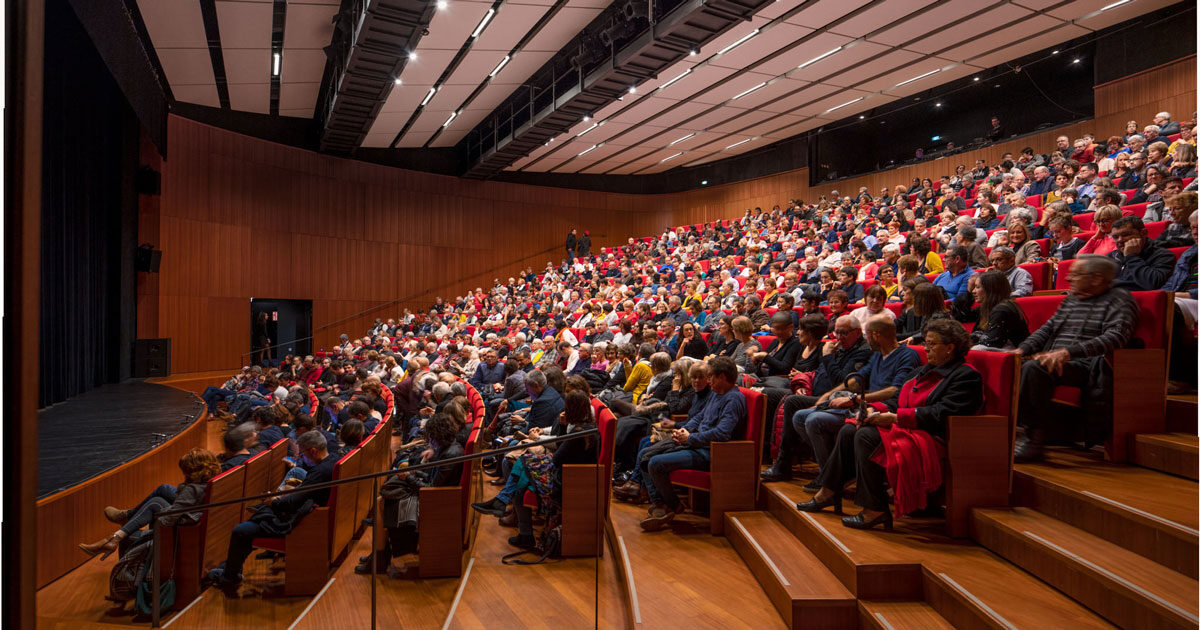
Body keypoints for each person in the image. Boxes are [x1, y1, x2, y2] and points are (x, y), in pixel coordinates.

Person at [795, 319, 984, 529]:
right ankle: (829, 491)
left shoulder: (966, 376)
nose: (926, 348)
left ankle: (874, 508)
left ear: (950, 348)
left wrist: (896, 417)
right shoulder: (924, 370)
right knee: (850, 428)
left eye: (931, 344)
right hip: (908, 427)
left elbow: (943, 413)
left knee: (865, 435)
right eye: (926, 343)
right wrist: (873, 409)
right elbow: (896, 400)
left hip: (933, 435)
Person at [1013, 256, 1138, 462]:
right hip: (1055, 360)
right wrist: (1021, 350)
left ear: (1097, 279)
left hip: (1090, 365)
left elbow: (1116, 336)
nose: (1069, 278)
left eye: (1076, 274)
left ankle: (1033, 440)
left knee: (1035, 369)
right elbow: (1047, 329)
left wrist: (1068, 353)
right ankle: (1008, 432)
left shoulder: (1119, 298)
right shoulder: (1071, 299)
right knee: (1009, 364)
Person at [206, 431, 339, 592]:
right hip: (308, 512)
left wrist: (274, 502)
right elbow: (304, 494)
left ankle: (229, 577)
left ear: (313, 451)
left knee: (241, 530)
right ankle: (231, 568)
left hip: (304, 522)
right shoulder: (332, 460)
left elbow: (292, 503)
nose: (302, 457)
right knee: (259, 516)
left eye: (303, 453)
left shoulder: (319, 472)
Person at [793, 317, 920, 484]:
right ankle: (836, 471)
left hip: (880, 408)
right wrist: (827, 395)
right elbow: (854, 382)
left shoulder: (907, 355)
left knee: (814, 420)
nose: (865, 340)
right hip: (861, 404)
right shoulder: (877, 355)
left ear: (876, 335)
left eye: (867, 335)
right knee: (799, 416)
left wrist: (855, 398)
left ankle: (829, 479)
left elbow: (896, 390)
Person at [639, 357, 746, 531]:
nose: (708, 380)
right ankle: (662, 505)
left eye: (711, 376)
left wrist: (690, 438)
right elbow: (699, 417)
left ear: (723, 377)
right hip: (696, 443)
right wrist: (685, 430)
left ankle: (671, 505)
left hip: (710, 453)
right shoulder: (717, 393)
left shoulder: (732, 399)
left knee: (655, 463)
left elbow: (722, 434)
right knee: (646, 455)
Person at [357, 413, 464, 575]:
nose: (429, 441)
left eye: (431, 437)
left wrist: (409, 477)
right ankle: (379, 554)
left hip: (437, 501)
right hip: (436, 495)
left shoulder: (450, 454)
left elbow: (431, 488)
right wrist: (415, 473)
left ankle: (380, 557)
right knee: (383, 498)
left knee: (382, 502)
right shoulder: (449, 448)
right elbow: (432, 478)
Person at [79, 448, 222, 559]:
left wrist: (153, 518)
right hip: (197, 518)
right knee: (160, 496)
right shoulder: (212, 479)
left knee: (153, 506)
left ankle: (117, 536)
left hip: (183, 529)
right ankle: (116, 535)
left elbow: (169, 519)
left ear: (192, 472)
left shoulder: (192, 489)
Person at [953, 271, 1030, 350]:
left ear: (990, 289)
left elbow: (992, 343)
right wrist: (968, 293)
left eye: (977, 287)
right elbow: (961, 317)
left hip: (1012, 355)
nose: (973, 291)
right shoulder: (988, 307)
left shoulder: (1002, 310)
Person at [1108, 216, 1177, 291]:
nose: (1120, 240)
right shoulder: (1111, 257)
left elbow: (1152, 284)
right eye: (1115, 237)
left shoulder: (1164, 256)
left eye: (1126, 235)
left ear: (1143, 233)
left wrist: (1131, 257)